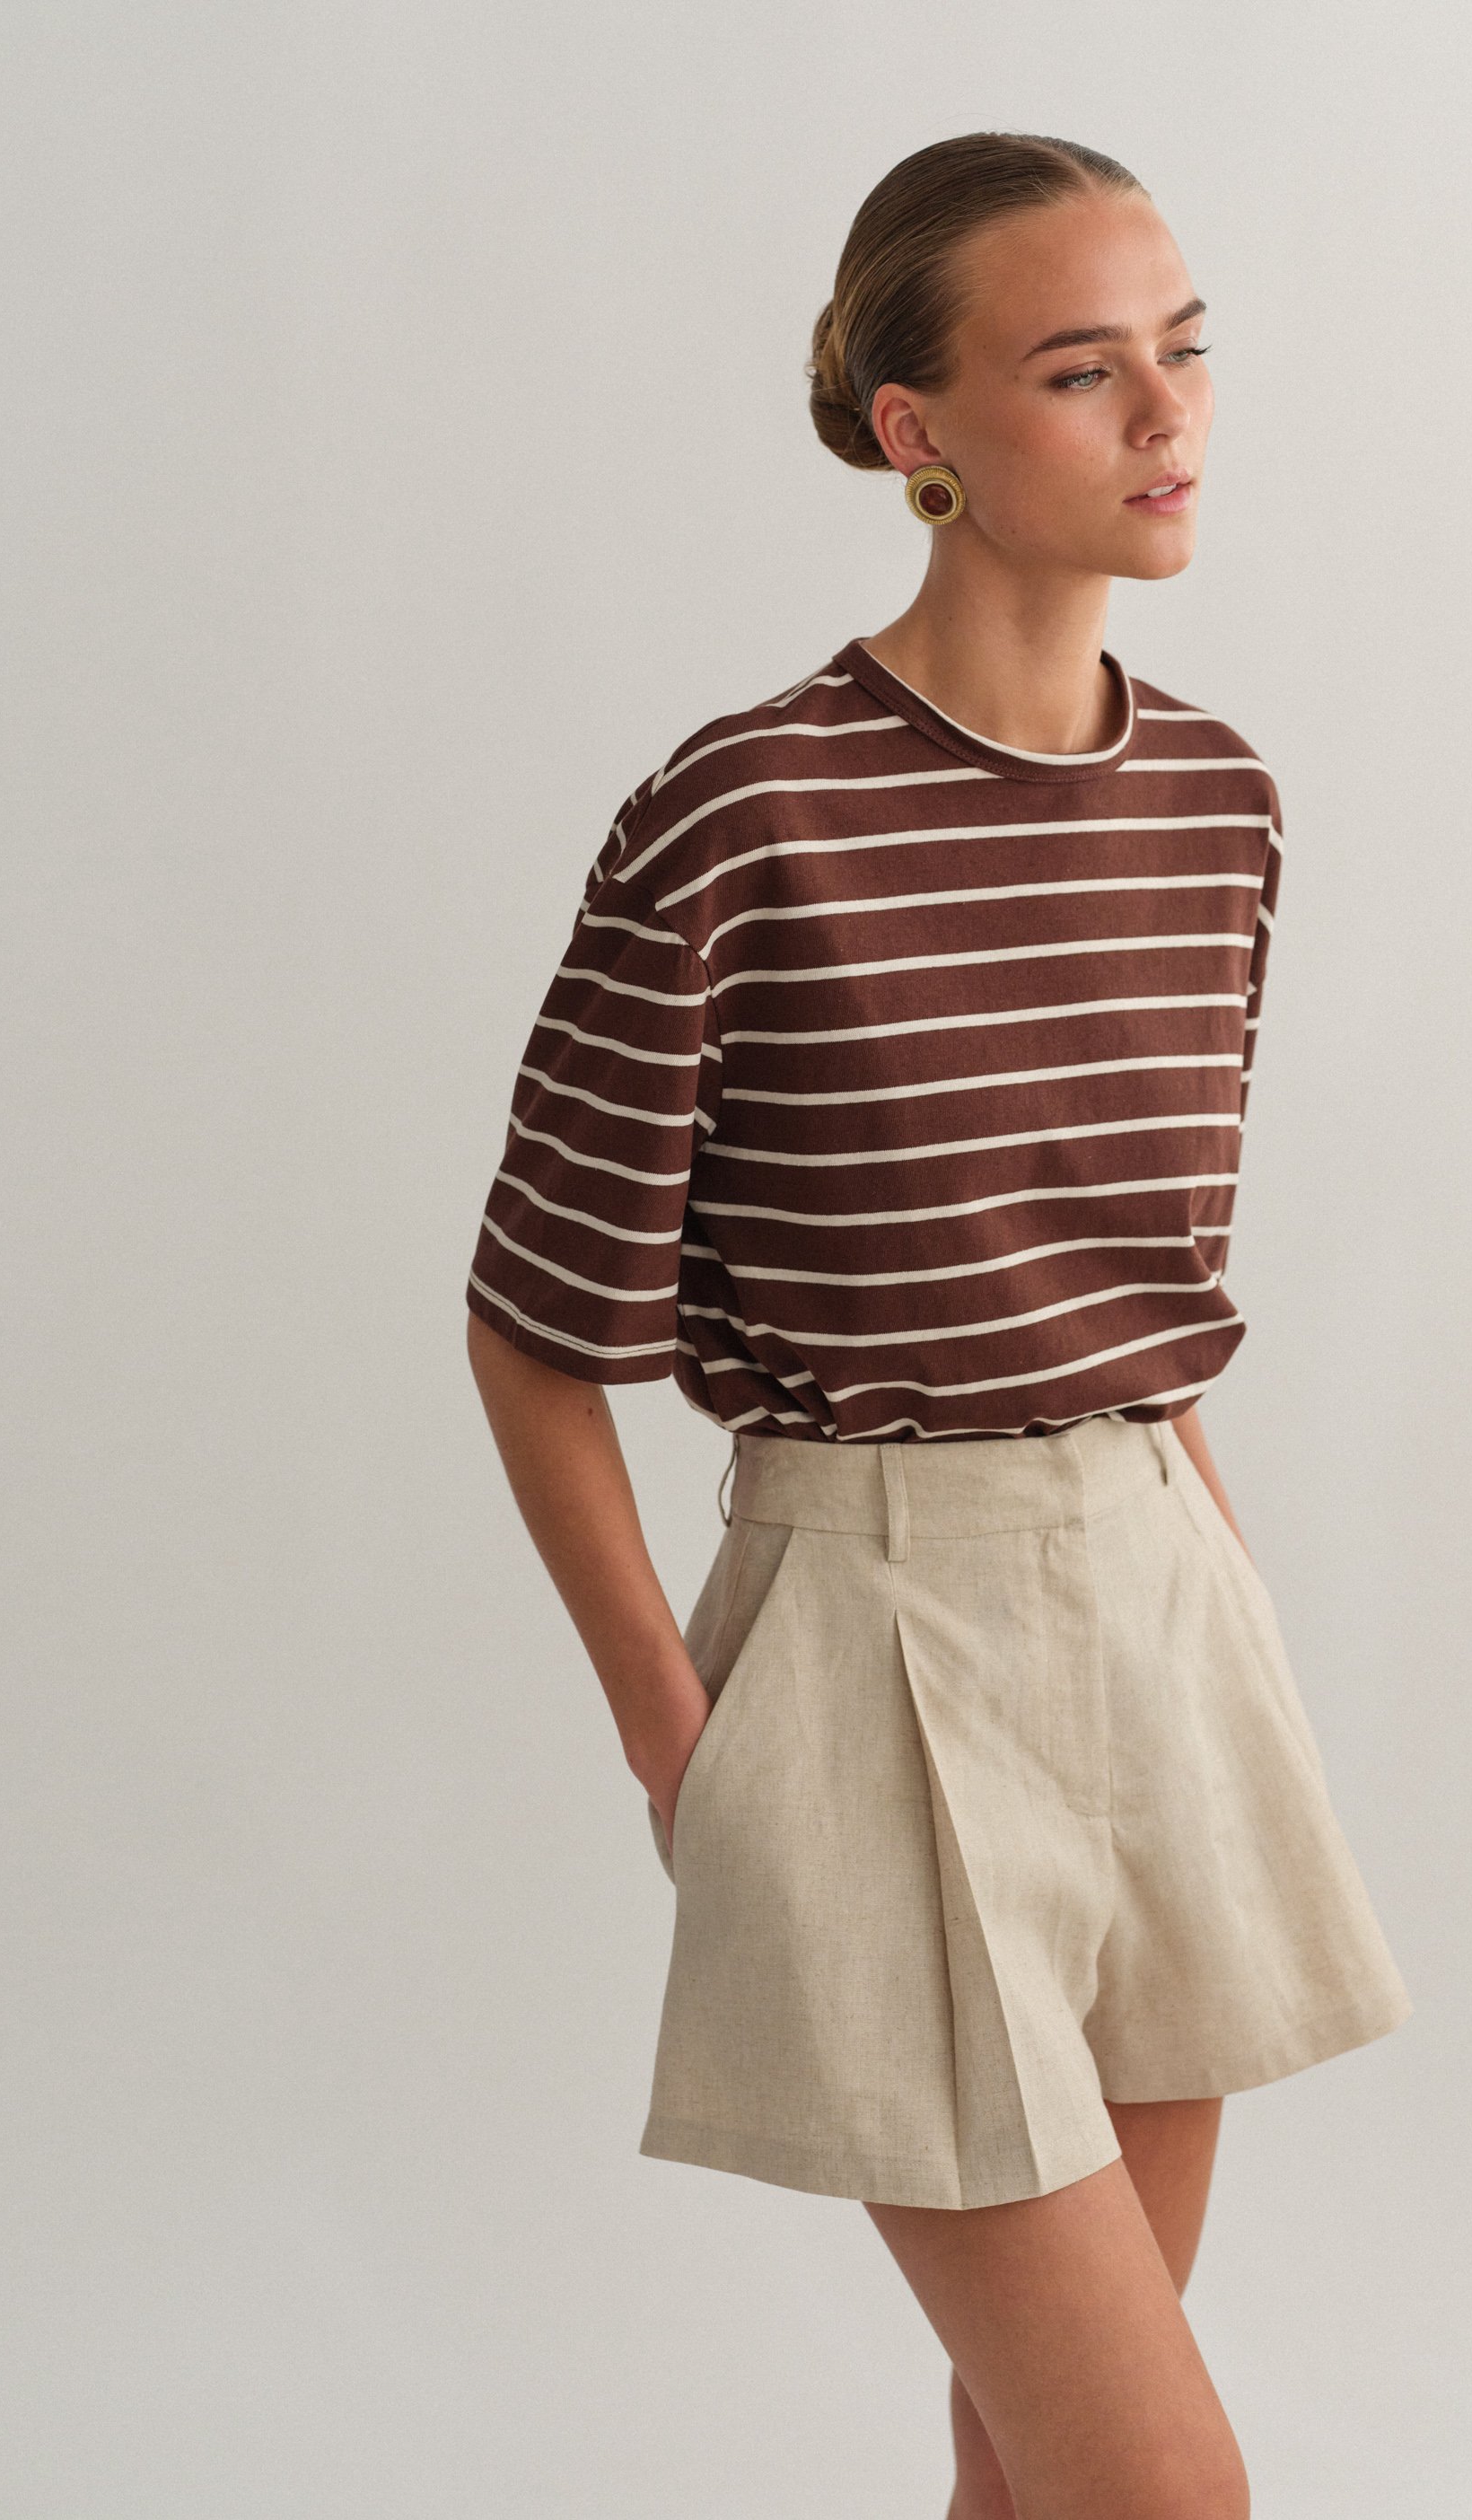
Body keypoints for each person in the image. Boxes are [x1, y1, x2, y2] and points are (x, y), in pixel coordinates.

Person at [465, 129, 1411, 2520]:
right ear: (921, 434)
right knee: (1162, 2491)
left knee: (1037, 2483)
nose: (1167, 415)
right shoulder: (744, 815)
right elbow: (536, 1326)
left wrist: (1217, 1597)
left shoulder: (1218, 803)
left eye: (1184, 349)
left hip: (1164, 1611)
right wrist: (679, 1742)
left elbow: (1138, 1296)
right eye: (1081, 372)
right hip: (873, 1645)